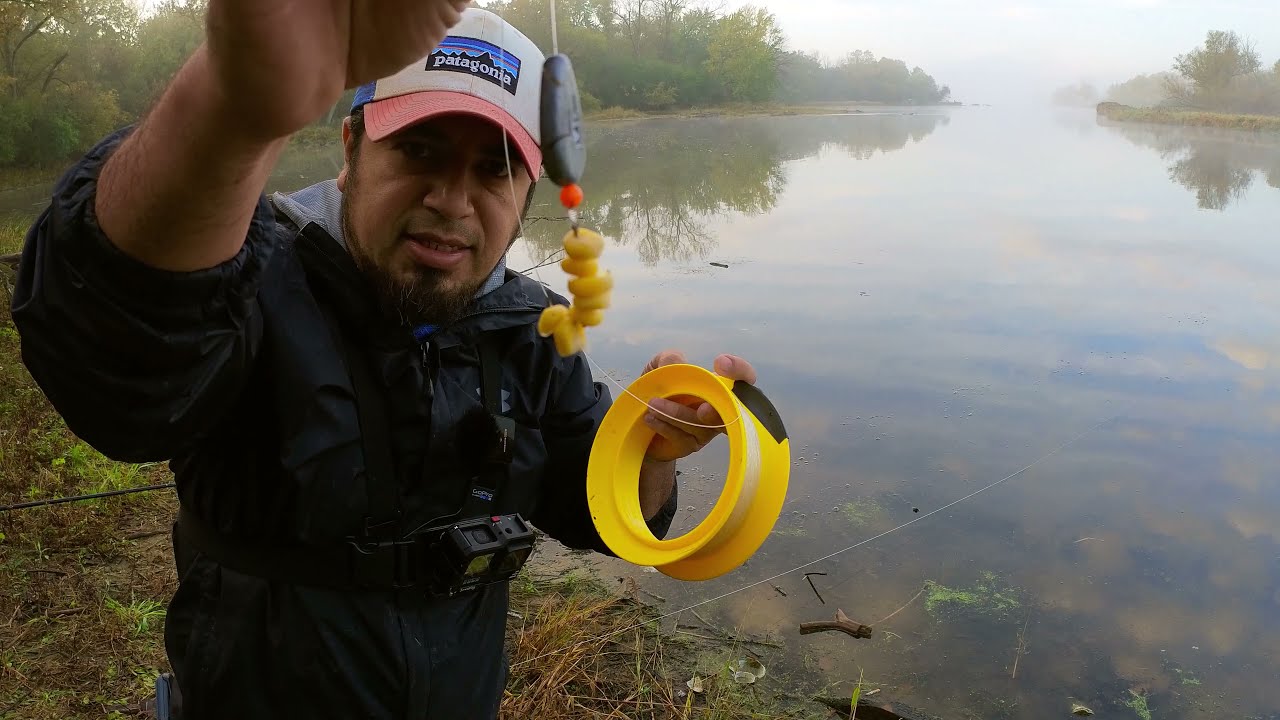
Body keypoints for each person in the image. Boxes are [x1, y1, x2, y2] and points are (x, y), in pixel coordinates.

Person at [10, 2, 760, 718]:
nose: (452, 199)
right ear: (350, 151)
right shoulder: (248, 278)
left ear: (529, 190)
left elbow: (598, 505)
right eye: (419, 148)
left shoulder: (530, 326)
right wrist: (232, 112)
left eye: (493, 170)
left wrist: (655, 450)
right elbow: (126, 367)